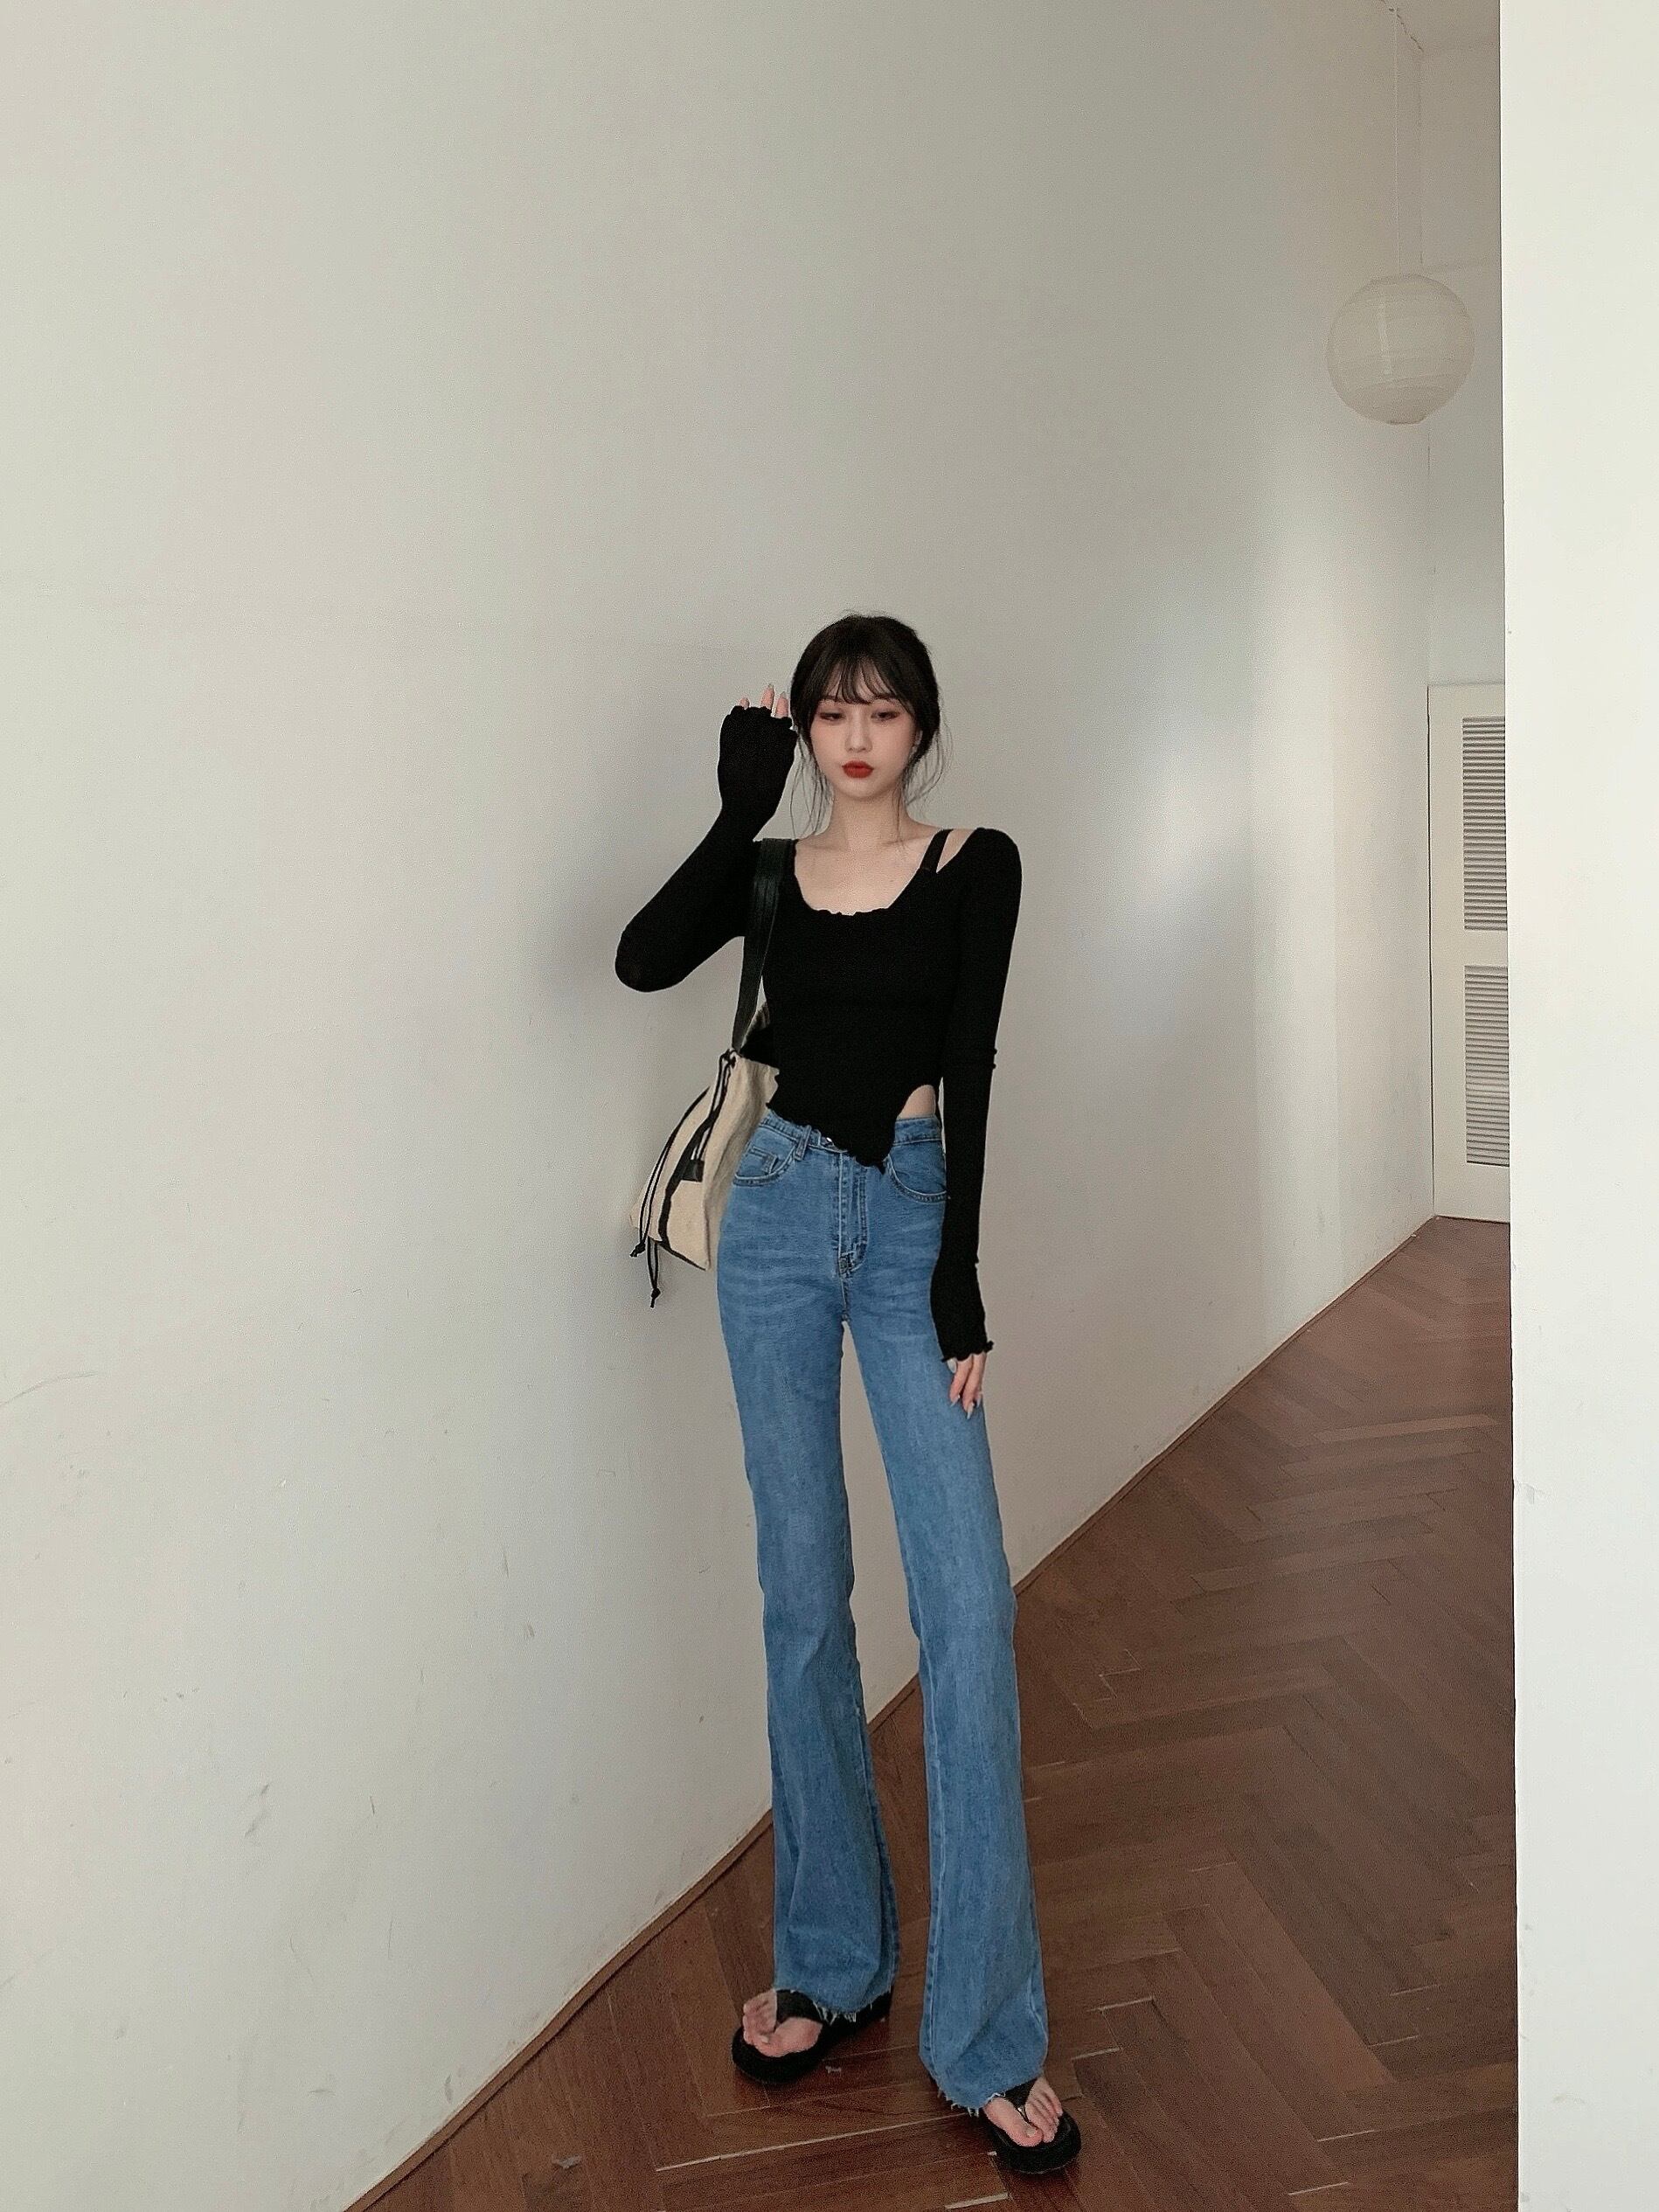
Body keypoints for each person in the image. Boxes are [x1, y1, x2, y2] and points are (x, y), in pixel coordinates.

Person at [614, 613, 1080, 2175]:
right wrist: (734, 802)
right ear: (804, 732)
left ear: (920, 726)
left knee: (967, 1612)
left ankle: (987, 2035)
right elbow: (640, 958)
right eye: (829, 714)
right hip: (771, 1225)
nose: (856, 737)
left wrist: (958, 1278)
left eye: (881, 711)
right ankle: (830, 1960)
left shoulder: (974, 864)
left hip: (908, 1219)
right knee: (803, 1594)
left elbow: (974, 1060)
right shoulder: (769, 869)